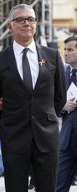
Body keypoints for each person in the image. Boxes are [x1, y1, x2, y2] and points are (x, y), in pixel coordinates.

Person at [0, 4, 66, 192]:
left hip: (46, 137)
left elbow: (60, 96)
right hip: (14, 136)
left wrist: (45, 117)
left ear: (36, 24)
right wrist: (8, 122)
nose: (26, 23)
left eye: (30, 19)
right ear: (10, 26)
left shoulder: (52, 56)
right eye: (20, 19)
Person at [56, 36, 77, 192]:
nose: (66, 53)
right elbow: (51, 102)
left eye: (70, 49)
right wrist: (62, 106)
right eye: (65, 49)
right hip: (66, 141)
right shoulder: (62, 74)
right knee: (59, 186)